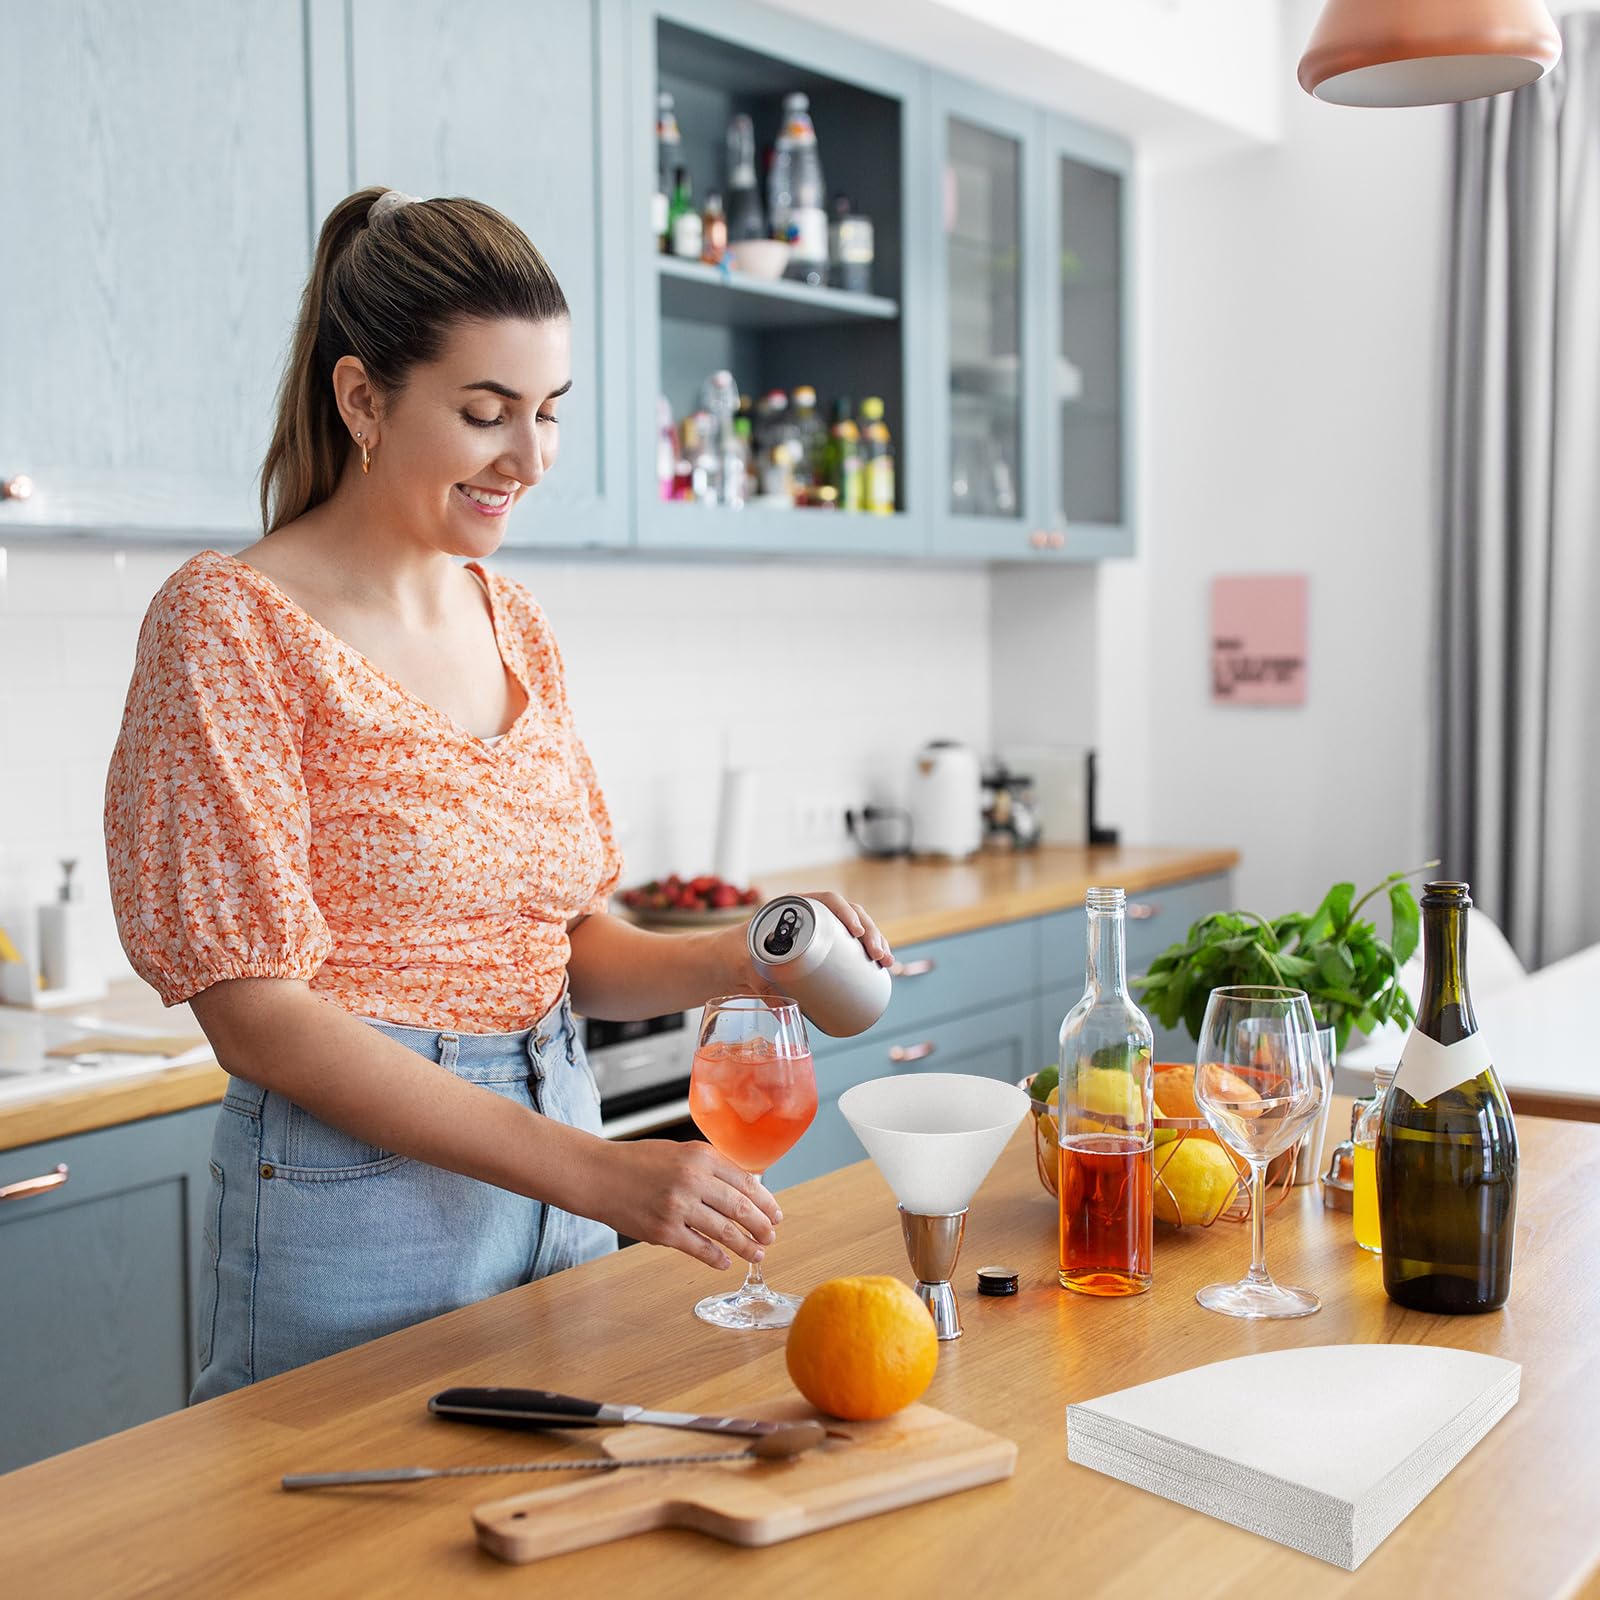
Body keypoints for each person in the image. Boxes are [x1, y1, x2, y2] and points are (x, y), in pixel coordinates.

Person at [104, 187, 894, 1402]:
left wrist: (747, 956)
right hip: (355, 1206)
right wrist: (595, 1170)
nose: (529, 460)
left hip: (556, 1148)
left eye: (548, 412)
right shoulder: (230, 623)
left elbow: (565, 944)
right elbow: (254, 1013)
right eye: (486, 414)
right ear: (362, 399)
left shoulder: (509, 619)